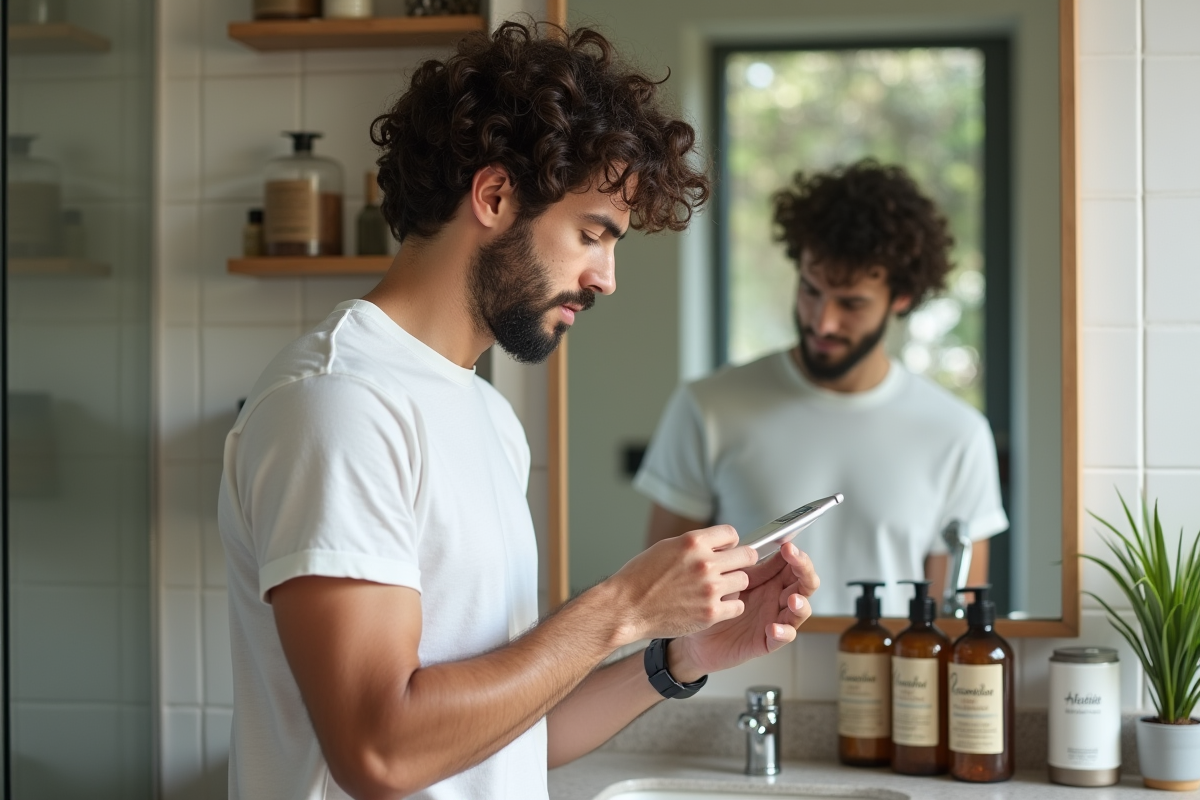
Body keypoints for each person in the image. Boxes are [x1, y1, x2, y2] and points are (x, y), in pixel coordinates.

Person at [216, 21, 820, 800]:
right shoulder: (337, 405)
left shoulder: (485, 416)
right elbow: (381, 753)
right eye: (592, 234)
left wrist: (680, 656)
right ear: (495, 196)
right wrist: (623, 605)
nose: (605, 278)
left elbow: (512, 736)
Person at [636, 160, 1006, 618]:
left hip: (895, 683)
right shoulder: (708, 407)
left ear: (902, 298)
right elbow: (659, 599)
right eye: (811, 290)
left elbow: (954, 624)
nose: (822, 321)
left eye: (851, 303)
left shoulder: (957, 435)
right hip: (736, 680)